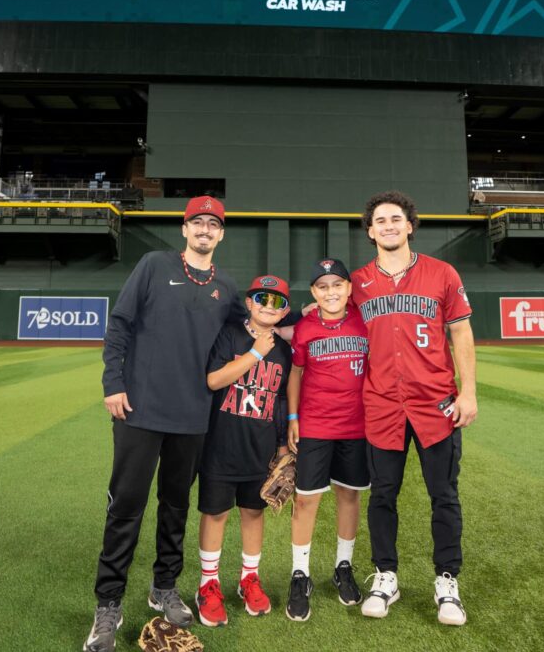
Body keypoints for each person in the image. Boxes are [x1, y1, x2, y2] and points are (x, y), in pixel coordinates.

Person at [84, 196, 244, 652]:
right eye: (198, 222)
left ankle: (163, 588)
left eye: (213, 224)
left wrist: (303, 320)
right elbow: (119, 325)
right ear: (184, 228)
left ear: (221, 234)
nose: (205, 230)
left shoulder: (227, 287)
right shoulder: (154, 265)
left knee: (175, 506)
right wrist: (113, 383)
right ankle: (108, 602)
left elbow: (253, 323)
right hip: (140, 410)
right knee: (126, 507)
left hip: (193, 415)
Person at [351, 190, 477, 626]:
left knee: (444, 495)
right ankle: (386, 576)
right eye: (379, 220)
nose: (388, 225)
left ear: (409, 225)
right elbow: (331, 317)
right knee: (383, 495)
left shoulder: (441, 273)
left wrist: (469, 392)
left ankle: (447, 581)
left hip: (435, 405)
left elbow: (461, 334)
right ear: (370, 231)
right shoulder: (357, 283)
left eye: (395, 219)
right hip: (382, 405)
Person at [194, 275, 292, 628]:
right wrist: (254, 353)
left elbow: (280, 400)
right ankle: (208, 583)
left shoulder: (284, 351)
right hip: (220, 444)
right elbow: (214, 380)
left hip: (259, 448)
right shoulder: (230, 334)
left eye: (277, 301)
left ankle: (249, 578)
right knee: (216, 514)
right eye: (262, 298)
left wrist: (281, 445)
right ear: (249, 302)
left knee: (253, 512)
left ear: (285, 311)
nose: (269, 305)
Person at [284, 258, 371, 622]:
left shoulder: (365, 321)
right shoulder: (304, 328)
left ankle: (343, 566)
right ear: (314, 293)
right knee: (306, 501)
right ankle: (299, 574)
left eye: (338, 284)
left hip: (357, 425)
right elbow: (296, 373)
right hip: (316, 424)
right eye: (323, 286)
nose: (331, 292)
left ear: (349, 288)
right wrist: (292, 417)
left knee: (348, 495)